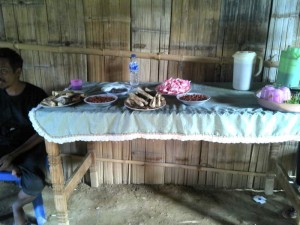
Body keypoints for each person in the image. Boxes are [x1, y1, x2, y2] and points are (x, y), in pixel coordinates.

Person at [0, 48, 48, 225]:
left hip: (30, 145)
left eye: (3, 71)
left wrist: (13, 156)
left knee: (35, 181)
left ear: (17, 72)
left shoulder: (36, 95)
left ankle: (17, 206)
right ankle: (12, 167)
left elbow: (42, 132)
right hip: (5, 144)